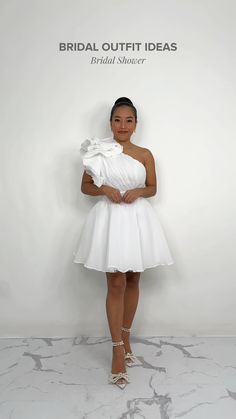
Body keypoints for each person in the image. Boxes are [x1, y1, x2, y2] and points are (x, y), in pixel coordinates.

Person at [73, 97, 174, 389]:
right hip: (111, 220)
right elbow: (85, 185)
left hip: (138, 220)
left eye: (129, 120)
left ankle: (126, 334)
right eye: (118, 120)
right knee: (115, 282)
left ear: (136, 124)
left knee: (132, 280)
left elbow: (154, 187)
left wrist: (140, 191)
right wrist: (104, 187)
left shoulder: (145, 154)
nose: (123, 126)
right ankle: (117, 348)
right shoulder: (100, 152)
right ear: (110, 122)